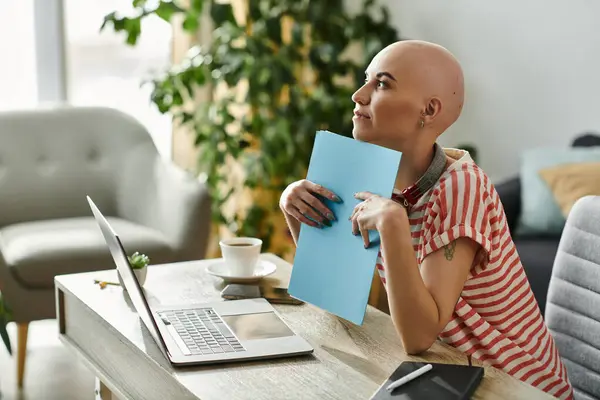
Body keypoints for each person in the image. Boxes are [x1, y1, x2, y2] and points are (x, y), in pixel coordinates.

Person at [279, 40, 573, 399]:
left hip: (515, 383)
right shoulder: (366, 172)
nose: (358, 95)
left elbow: (418, 337)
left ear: (429, 110)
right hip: (446, 370)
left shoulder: (462, 186)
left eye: (382, 84)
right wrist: (297, 210)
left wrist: (393, 223)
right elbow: (332, 294)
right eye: (366, 80)